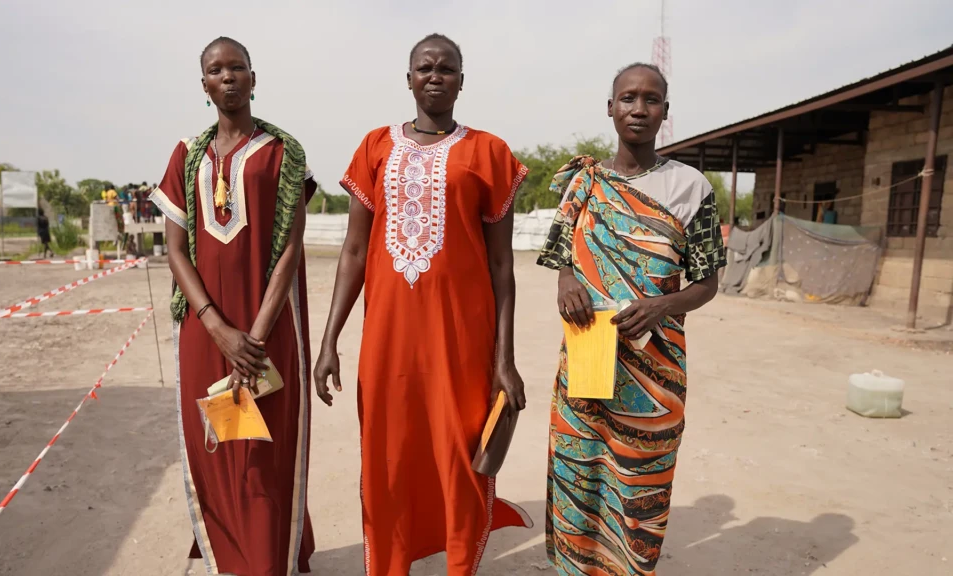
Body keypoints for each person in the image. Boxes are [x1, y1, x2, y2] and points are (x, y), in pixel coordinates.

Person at [314, 33, 532, 576]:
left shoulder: (490, 153)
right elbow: (355, 252)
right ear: (408, 78)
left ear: (462, 80)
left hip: (462, 338)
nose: (435, 76)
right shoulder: (374, 147)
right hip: (388, 340)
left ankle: (460, 565)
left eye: (447, 69)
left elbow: (502, 268)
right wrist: (329, 341)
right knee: (388, 460)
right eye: (424, 68)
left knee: (460, 457)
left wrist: (504, 360)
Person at [537, 63, 726, 575]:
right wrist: (567, 283)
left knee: (639, 488)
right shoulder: (584, 183)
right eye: (627, 98)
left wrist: (661, 305)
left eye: (651, 100)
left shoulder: (690, 188)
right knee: (580, 476)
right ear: (610, 107)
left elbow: (708, 283)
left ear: (666, 111)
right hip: (587, 359)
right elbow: (561, 261)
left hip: (654, 374)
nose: (638, 109)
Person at [150, 36, 318, 576]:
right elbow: (175, 250)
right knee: (218, 446)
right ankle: (230, 557)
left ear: (253, 77)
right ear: (203, 85)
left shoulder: (282, 152)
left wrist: (256, 337)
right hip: (206, 329)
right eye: (216, 70)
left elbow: (291, 247)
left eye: (237, 67)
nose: (228, 77)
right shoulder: (186, 154)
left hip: (267, 329)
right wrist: (217, 328)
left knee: (264, 447)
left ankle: (270, 560)